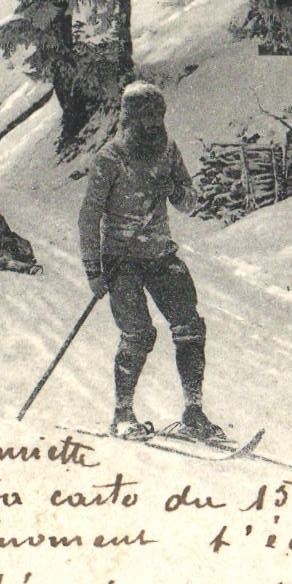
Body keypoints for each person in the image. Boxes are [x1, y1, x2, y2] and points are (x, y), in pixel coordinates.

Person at [78, 80, 224, 443]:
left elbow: (191, 202)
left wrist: (173, 189)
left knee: (189, 324)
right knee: (139, 333)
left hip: (159, 253)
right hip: (120, 260)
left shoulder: (168, 152)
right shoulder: (109, 159)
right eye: (146, 118)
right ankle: (123, 414)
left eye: (158, 117)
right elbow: (88, 216)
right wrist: (93, 271)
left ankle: (193, 411)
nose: (154, 125)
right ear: (129, 120)